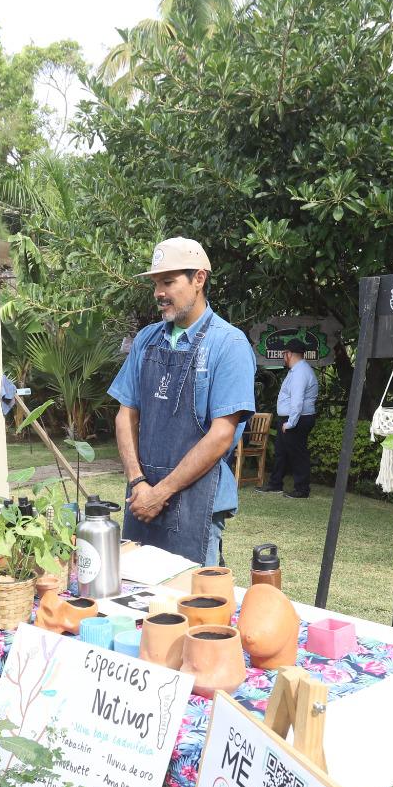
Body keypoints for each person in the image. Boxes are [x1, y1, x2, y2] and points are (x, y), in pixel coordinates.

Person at [109, 237, 255, 566]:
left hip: (196, 504)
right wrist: (138, 482)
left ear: (199, 279)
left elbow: (221, 436)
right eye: (156, 283)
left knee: (194, 607)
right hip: (141, 499)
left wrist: (159, 493)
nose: (159, 292)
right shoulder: (146, 340)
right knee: (137, 604)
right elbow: (125, 414)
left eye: (169, 281)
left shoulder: (228, 345)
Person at [260, 338, 319, 497]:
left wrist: (291, 423)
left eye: (284, 353)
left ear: (290, 353)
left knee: (297, 454)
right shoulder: (296, 370)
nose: (282, 356)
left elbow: (297, 401)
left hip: (296, 419)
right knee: (281, 453)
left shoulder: (300, 372)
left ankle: (302, 489)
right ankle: (275, 484)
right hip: (290, 418)